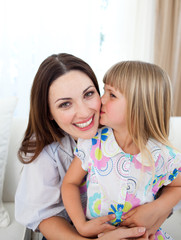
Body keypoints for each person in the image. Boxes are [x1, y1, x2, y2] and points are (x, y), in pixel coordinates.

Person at [15, 53, 151, 240]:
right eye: (65, 104)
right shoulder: (44, 147)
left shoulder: (123, 127)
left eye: (88, 94)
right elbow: (44, 216)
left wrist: (158, 209)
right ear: (49, 113)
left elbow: (166, 181)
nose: (84, 112)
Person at [62, 61, 181, 239]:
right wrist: (81, 226)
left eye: (112, 95)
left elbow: (178, 185)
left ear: (139, 106)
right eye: (104, 91)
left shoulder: (163, 155)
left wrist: (157, 207)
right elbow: (69, 184)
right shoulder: (93, 143)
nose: (100, 100)